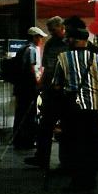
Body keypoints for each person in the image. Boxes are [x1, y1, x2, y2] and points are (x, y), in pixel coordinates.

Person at [52, 17, 98, 190]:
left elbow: (56, 84)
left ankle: (77, 180)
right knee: (92, 142)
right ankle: (90, 179)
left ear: (73, 40)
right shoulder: (95, 58)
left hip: (72, 108)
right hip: (93, 107)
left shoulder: (62, 58)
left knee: (74, 143)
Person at [25, 17, 66, 169]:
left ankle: (64, 160)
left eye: (53, 30)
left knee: (64, 127)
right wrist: (41, 84)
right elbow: (47, 68)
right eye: (50, 31)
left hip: (65, 90)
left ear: (61, 27)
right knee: (45, 125)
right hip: (50, 90)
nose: (51, 33)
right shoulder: (50, 44)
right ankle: (42, 157)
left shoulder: (68, 44)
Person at [13, 26, 47, 149]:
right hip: (28, 87)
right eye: (40, 37)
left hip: (20, 87)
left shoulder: (22, 49)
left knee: (20, 113)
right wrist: (38, 82)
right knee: (29, 113)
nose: (41, 40)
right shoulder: (32, 49)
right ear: (35, 37)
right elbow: (31, 68)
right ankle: (27, 140)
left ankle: (18, 139)